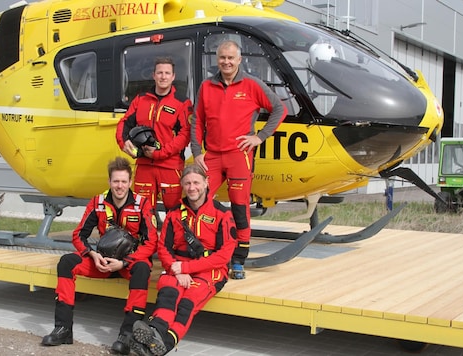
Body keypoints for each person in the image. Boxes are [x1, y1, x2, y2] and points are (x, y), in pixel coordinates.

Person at [41, 157, 159, 355]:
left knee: (142, 268)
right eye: (115, 181)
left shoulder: (142, 204)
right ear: (109, 182)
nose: (119, 186)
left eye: (123, 181)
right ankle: (63, 329)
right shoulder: (98, 202)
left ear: (130, 182)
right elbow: (79, 234)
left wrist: (123, 263)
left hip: (128, 264)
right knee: (66, 262)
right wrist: (93, 255)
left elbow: (151, 242)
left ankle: (127, 335)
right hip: (102, 262)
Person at [191, 40, 286, 279]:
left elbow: (279, 109)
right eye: (222, 57)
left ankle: (238, 259)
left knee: (240, 208)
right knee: (197, 201)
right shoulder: (206, 86)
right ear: (217, 59)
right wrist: (196, 151)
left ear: (239, 60)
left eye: (231, 58)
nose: (226, 62)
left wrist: (260, 137)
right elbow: (198, 120)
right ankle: (201, 251)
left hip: (238, 156)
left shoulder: (252, 84)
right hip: (211, 156)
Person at [130, 163, 237, 356]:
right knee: (168, 293)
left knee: (188, 301)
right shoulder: (174, 214)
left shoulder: (222, 214)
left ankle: (165, 343)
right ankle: (154, 333)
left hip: (210, 269)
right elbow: (163, 248)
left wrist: (186, 268)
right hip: (178, 267)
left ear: (206, 183)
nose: (192, 187)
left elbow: (223, 256)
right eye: (187, 183)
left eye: (196, 182)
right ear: (182, 185)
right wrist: (174, 269)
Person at [116, 56, 192, 213]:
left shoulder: (182, 103)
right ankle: (146, 238)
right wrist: (123, 143)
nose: (163, 76)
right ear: (154, 75)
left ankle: (172, 238)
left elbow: (185, 135)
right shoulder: (141, 99)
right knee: (143, 212)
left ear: (173, 76)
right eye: (160, 73)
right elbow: (124, 123)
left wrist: (159, 153)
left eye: (167, 73)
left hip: (170, 166)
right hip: (144, 166)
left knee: (174, 213)